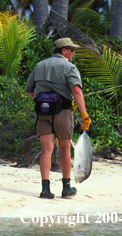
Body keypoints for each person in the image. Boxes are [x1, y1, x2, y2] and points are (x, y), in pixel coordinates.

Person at [25, 37, 91, 199]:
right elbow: (76, 92)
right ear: (64, 51)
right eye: (72, 50)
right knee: (65, 150)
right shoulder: (69, 67)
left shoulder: (40, 65)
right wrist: (84, 114)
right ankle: (66, 188)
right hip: (63, 112)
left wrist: (42, 101)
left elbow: (29, 90)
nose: (73, 53)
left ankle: (45, 190)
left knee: (46, 150)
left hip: (43, 112)